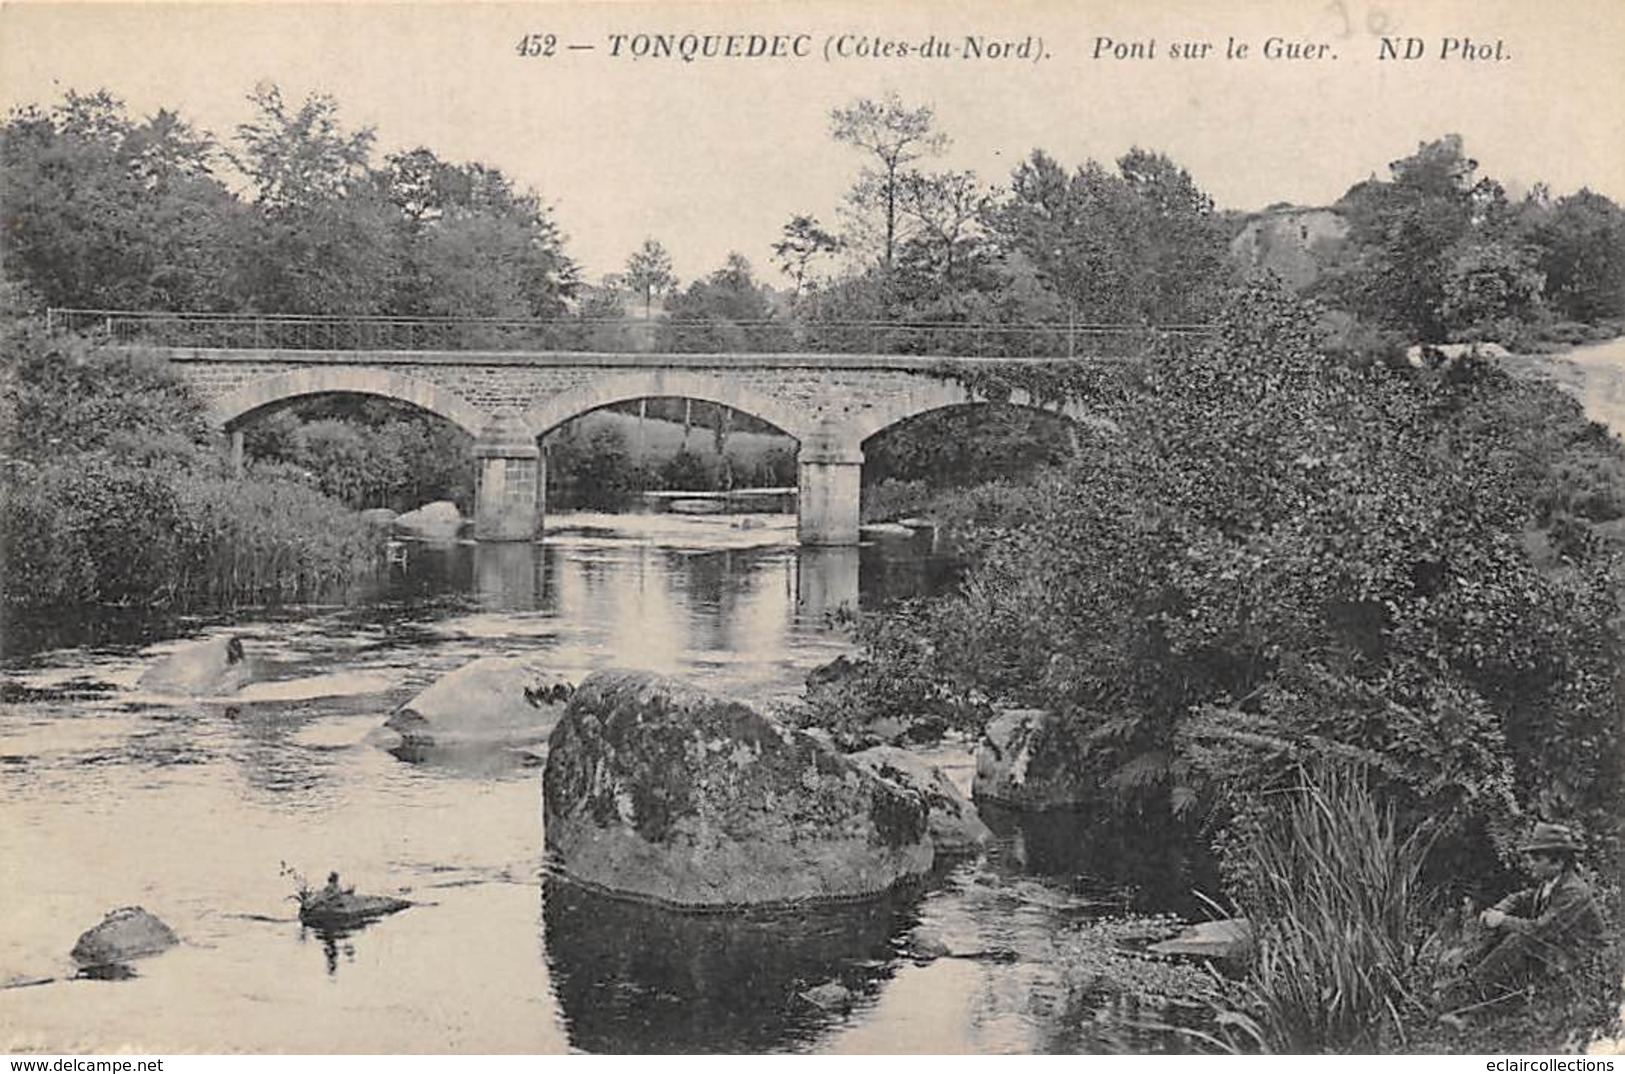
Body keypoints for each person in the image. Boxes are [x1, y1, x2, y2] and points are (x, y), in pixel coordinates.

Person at [1448, 822, 1604, 1002]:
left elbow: (1540, 930)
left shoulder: (1573, 891)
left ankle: (1469, 993)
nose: (1530, 865)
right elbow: (1520, 898)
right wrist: (1500, 910)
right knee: (1510, 932)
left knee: (1521, 939)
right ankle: (1465, 977)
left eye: (1537, 860)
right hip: (1560, 951)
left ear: (1558, 862)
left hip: (1584, 960)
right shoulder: (1552, 883)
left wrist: (1501, 920)